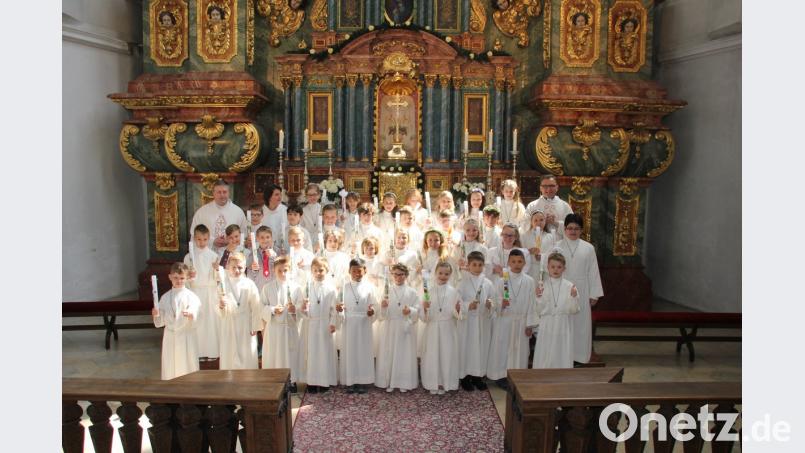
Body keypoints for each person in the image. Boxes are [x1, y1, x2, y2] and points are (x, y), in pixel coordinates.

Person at [553, 213, 603, 364]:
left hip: (582, 289)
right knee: (563, 323)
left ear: (581, 230)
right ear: (565, 229)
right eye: (569, 228)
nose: (573, 231)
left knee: (581, 324)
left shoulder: (588, 248)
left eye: (576, 228)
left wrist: (594, 294)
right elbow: (551, 269)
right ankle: (562, 356)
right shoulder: (558, 247)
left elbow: (593, 271)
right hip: (562, 289)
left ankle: (579, 357)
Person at [486, 249, 535, 388]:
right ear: (508, 262)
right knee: (503, 348)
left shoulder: (530, 281)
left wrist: (529, 324)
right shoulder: (502, 281)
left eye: (520, 261)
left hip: (521, 321)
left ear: (524, 262)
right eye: (513, 261)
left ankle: (518, 376)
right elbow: (493, 300)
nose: (517, 264)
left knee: (519, 350)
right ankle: (501, 376)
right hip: (505, 320)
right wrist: (501, 302)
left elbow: (532, 303)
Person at [529, 252, 580, 369]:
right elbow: (538, 309)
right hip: (547, 324)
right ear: (548, 268)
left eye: (559, 267)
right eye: (553, 267)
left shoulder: (570, 286)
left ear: (564, 268)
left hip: (563, 323)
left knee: (561, 350)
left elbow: (574, 309)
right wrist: (538, 297)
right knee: (546, 351)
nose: (555, 270)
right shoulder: (542, 286)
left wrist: (573, 296)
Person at [260, 256, 303, 392]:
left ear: (290, 270)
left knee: (290, 354)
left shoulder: (296, 288)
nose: (283, 273)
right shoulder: (267, 288)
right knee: (274, 354)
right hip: (274, 328)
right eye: (280, 271)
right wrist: (272, 310)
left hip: (289, 327)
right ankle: (274, 381)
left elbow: (302, 306)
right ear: (274, 270)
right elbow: (261, 307)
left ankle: (292, 381)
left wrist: (294, 309)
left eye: (286, 270)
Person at [375, 263, 419, 392]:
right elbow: (381, 314)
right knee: (389, 353)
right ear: (392, 275)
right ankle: (389, 381)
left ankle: (403, 383)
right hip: (390, 326)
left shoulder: (412, 292)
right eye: (396, 275)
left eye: (401, 275)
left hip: (404, 326)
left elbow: (417, 309)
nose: (398, 277)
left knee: (403, 354)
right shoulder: (386, 291)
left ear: (406, 275)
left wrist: (410, 310)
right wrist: (383, 306)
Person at [152, 262, 201, 380]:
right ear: (170, 277)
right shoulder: (164, 297)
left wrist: (191, 315)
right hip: (170, 336)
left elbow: (196, 310)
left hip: (186, 335)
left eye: (182, 278)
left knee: (187, 364)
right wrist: (156, 315)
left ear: (187, 278)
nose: (179, 281)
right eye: (175, 278)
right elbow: (160, 321)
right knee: (170, 365)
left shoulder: (191, 296)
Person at [298, 258, 340, 393]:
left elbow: (334, 309)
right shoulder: (307, 288)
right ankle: (311, 382)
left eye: (321, 270)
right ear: (311, 271)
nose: (318, 273)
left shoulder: (331, 289)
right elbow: (302, 308)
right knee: (312, 353)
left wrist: (333, 323)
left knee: (324, 352)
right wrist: (304, 309)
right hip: (311, 324)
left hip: (325, 324)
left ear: (326, 271)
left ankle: (324, 382)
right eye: (315, 270)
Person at [419, 261, 461, 395]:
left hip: (447, 327)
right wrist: (425, 308)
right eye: (440, 273)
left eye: (446, 274)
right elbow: (423, 317)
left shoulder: (454, 291)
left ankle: (445, 382)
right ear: (435, 273)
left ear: (450, 275)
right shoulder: (428, 291)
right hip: (432, 327)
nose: (443, 276)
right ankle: (433, 382)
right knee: (432, 355)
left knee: (446, 355)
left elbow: (457, 313)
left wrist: (458, 310)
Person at [337, 258, 378, 394]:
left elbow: (375, 305)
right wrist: (339, 309)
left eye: (359, 271)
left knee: (363, 352)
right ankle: (350, 381)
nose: (357, 273)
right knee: (350, 352)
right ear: (349, 271)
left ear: (364, 271)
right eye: (354, 271)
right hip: (349, 323)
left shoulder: (370, 287)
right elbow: (340, 305)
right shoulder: (344, 287)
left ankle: (362, 381)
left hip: (364, 323)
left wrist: (373, 312)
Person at [456, 252, 494, 391]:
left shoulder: (488, 283)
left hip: (482, 321)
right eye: (474, 265)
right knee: (467, 349)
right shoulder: (462, 283)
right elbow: (457, 302)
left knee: (480, 349)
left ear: (483, 266)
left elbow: (492, 299)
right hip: (467, 322)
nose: (477, 268)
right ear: (468, 265)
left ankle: (478, 377)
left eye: (480, 265)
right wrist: (467, 306)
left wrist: (491, 304)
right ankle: (465, 377)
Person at [216, 252, 261, 370]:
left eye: (240, 267)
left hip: (245, 323)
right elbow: (215, 304)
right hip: (229, 322)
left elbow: (256, 306)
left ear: (245, 267)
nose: (237, 270)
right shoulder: (223, 285)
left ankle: (248, 378)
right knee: (229, 351)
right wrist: (220, 306)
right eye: (233, 267)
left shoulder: (249, 284)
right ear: (227, 268)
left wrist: (255, 326)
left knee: (246, 351)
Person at [184, 224, 221, 361]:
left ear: (208, 238)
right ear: (194, 238)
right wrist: (189, 276)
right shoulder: (188, 257)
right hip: (195, 292)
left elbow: (218, 278)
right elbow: (185, 277)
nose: (202, 242)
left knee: (210, 322)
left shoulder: (214, 256)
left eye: (205, 239)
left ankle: (212, 352)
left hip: (210, 292)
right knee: (198, 322)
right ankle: (198, 352)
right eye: (199, 239)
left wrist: (217, 270)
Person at [190, 179, 247, 253]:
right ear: (213, 193)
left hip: (232, 255)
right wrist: (212, 241)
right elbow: (194, 234)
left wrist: (231, 240)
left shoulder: (238, 212)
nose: (222, 195)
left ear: (229, 193)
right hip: (209, 254)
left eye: (224, 192)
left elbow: (244, 234)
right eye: (219, 192)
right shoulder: (202, 212)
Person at [526, 175, 573, 240]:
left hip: (559, 243)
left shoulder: (565, 206)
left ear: (557, 187)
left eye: (551, 186)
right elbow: (525, 226)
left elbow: (572, 227)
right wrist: (540, 222)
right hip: (538, 242)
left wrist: (555, 223)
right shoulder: (532, 206)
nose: (548, 189)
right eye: (545, 186)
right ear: (540, 188)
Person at [520, 209, 556, 283]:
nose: (538, 222)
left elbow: (553, 255)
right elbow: (519, 253)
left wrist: (542, 257)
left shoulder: (550, 237)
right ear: (531, 222)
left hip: (545, 271)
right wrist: (528, 251)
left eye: (541, 220)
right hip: (530, 270)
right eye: (535, 220)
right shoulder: (524, 236)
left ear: (545, 221)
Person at [245, 226, 276, 292]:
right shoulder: (252, 255)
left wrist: (274, 257)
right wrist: (254, 269)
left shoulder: (277, 252)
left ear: (271, 238)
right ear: (257, 239)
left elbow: (279, 268)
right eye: (262, 237)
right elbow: (250, 275)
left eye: (267, 237)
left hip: (273, 287)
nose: (265, 240)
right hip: (259, 287)